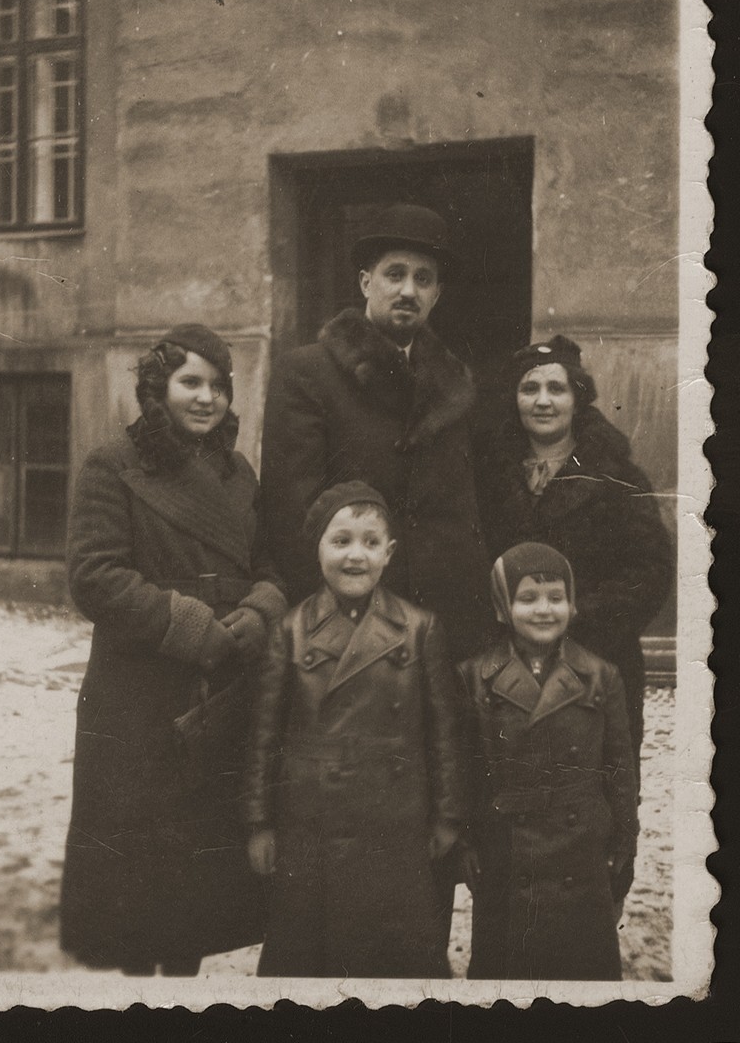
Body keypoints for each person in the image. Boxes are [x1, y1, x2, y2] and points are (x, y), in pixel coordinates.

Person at [59, 324, 286, 975]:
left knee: (193, 876)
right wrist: (191, 625)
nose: (206, 397)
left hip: (217, 691)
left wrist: (258, 611)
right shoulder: (114, 462)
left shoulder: (236, 470)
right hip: (139, 695)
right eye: (191, 382)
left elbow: (271, 562)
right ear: (157, 389)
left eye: (218, 385)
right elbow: (95, 575)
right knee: (136, 876)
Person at [243, 482, 466, 978]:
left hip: (396, 820)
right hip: (309, 821)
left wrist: (448, 815)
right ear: (317, 548)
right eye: (340, 541)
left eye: (369, 543)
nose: (355, 556)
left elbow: (443, 734)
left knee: (395, 957)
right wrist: (259, 823)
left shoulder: (419, 628)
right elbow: (264, 736)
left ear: (389, 554)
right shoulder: (291, 629)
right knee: (307, 957)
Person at [261, 202, 489, 662]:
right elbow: (291, 514)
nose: (408, 290)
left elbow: (466, 512)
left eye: (423, 279)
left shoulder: (454, 386)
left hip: (442, 624)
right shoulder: (307, 373)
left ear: (437, 295)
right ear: (366, 282)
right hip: (350, 625)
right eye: (395, 274)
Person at [475, 334, 673, 768]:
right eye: (530, 389)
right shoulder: (487, 476)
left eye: (557, 389)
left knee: (596, 793)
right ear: (514, 399)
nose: (543, 401)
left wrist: (577, 620)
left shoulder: (617, 475)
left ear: (578, 398)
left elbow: (651, 568)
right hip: (507, 662)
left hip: (596, 661)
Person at [457, 543, 639, 981]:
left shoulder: (601, 676)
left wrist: (624, 839)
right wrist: (465, 840)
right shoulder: (476, 677)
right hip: (506, 850)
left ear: (572, 604)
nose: (544, 610)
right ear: (503, 608)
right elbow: (465, 770)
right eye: (528, 598)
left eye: (556, 598)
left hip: (581, 852)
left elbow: (619, 767)